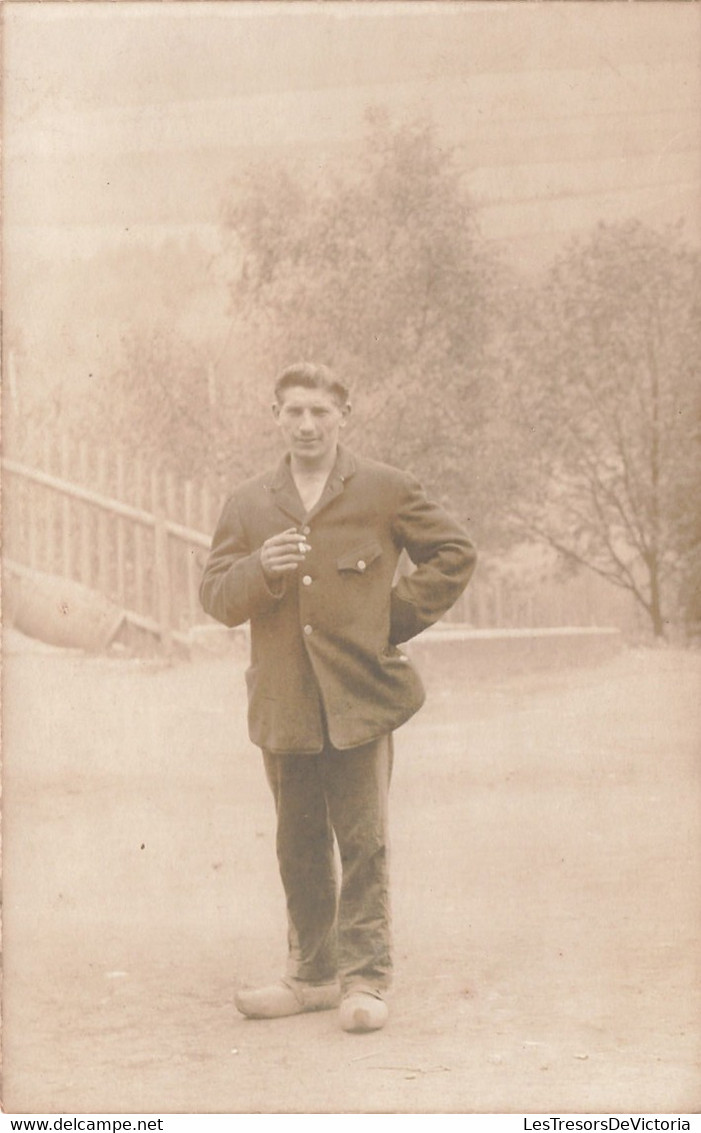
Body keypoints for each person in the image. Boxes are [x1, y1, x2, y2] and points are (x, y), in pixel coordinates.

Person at [199, 362, 476, 1033]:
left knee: (362, 839)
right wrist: (257, 569)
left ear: (343, 416)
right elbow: (213, 596)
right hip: (284, 699)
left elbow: (454, 551)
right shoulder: (248, 502)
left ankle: (365, 979)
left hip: (359, 696)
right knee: (297, 841)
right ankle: (312, 976)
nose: (306, 425)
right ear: (274, 414)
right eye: (293, 410)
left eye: (320, 412)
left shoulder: (383, 488)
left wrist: (390, 618)